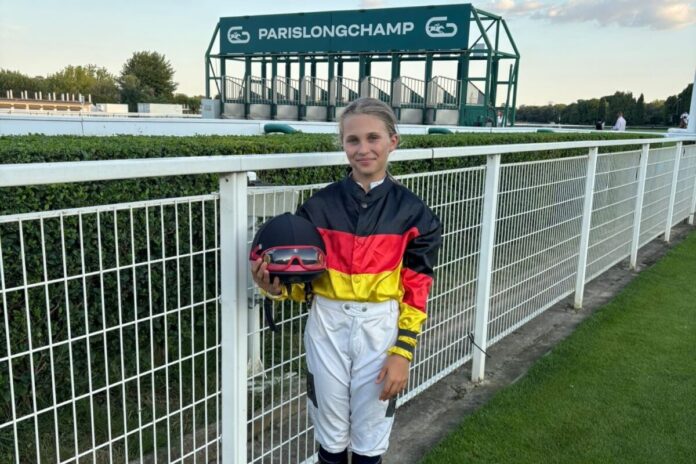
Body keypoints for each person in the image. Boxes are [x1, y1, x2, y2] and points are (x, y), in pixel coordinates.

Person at [251, 97, 442, 464]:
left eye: (373, 138)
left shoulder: (415, 213)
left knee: (371, 435)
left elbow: (416, 288)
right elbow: (303, 282)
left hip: (380, 327)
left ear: (392, 141)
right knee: (330, 435)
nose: (363, 148)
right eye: (353, 140)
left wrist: (403, 351)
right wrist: (274, 288)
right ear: (343, 143)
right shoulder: (317, 207)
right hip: (327, 323)